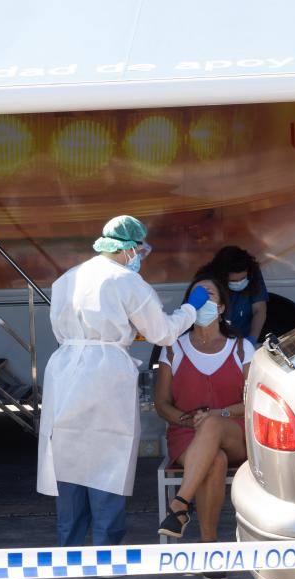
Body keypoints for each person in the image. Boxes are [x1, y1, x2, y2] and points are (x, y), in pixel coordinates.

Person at [37, 215, 210, 548]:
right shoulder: (126, 282)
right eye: (141, 250)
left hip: (65, 370)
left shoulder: (69, 278)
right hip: (105, 376)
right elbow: (163, 333)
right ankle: (106, 551)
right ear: (129, 248)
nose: (141, 257)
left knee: (68, 461)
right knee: (108, 460)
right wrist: (191, 309)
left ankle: (69, 551)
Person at [154, 276, 252, 579]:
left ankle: (179, 505)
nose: (202, 301)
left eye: (208, 295)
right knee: (216, 460)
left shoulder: (241, 348)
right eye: (195, 295)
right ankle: (210, 551)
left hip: (235, 429)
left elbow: (253, 400)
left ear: (221, 306)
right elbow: (162, 404)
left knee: (212, 426)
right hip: (187, 434)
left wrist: (217, 414)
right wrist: (187, 420)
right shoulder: (173, 347)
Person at [205, 246, 268, 344]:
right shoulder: (207, 282)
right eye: (233, 281)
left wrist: (252, 340)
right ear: (222, 277)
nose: (239, 283)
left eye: (242, 279)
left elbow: (259, 310)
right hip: (214, 341)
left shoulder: (253, 274)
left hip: (244, 338)